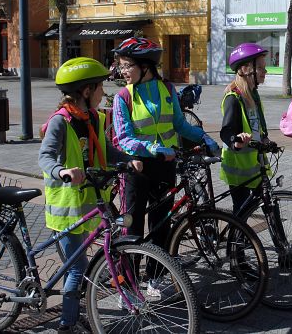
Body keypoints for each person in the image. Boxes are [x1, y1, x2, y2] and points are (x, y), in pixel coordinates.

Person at [38, 57, 143, 334]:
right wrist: (62, 171)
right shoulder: (60, 122)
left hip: (90, 201)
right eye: (100, 87)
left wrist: (127, 159)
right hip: (68, 207)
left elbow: (106, 151)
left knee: (89, 259)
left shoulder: (94, 118)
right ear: (86, 91)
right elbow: (45, 158)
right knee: (77, 268)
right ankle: (67, 325)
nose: (103, 93)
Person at [111, 37, 220, 293]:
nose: (122, 71)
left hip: (165, 165)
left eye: (128, 66)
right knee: (132, 226)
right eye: (122, 66)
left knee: (162, 223)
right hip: (136, 167)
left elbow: (179, 125)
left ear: (146, 66)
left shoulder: (167, 89)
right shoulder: (123, 97)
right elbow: (124, 137)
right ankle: (128, 286)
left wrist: (203, 136)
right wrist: (151, 148)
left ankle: (154, 278)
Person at [219, 43, 274, 217]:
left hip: (255, 164)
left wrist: (264, 138)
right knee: (241, 214)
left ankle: (280, 242)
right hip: (239, 168)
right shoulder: (233, 98)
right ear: (245, 69)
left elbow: (256, 125)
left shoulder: (253, 95)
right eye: (260, 68)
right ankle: (236, 245)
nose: (265, 72)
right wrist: (236, 140)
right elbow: (226, 131)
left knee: (269, 203)